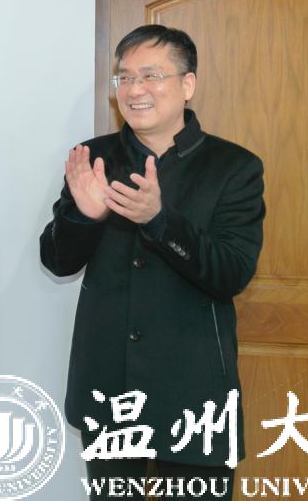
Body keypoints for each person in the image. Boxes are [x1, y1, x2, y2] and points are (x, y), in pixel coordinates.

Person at [40, 25, 264, 500]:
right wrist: (83, 216)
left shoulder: (234, 167)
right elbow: (57, 261)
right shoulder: (95, 158)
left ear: (187, 84)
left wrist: (160, 221)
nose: (134, 89)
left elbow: (231, 273)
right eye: (124, 77)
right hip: (109, 384)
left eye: (151, 75)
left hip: (195, 389)